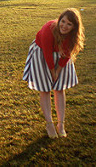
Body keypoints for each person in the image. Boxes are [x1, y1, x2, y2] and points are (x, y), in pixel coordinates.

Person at [22, 8, 85, 138]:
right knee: (45, 89)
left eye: (69, 24)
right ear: (59, 19)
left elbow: (68, 53)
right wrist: (52, 71)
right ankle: (49, 124)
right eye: (63, 21)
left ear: (74, 27)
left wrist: (59, 70)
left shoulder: (72, 36)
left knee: (59, 88)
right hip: (41, 54)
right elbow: (46, 53)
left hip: (59, 54)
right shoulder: (48, 29)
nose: (64, 26)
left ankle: (60, 124)